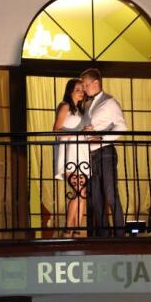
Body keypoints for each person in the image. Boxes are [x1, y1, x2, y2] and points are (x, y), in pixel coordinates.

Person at [79, 68, 127, 236]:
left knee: (110, 195)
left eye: (86, 85)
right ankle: (104, 237)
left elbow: (122, 126)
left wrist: (101, 138)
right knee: (96, 199)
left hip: (106, 152)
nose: (84, 88)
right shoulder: (87, 105)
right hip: (90, 155)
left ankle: (120, 235)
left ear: (96, 82)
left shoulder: (110, 102)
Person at [53, 78, 88, 237]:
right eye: (78, 90)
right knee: (77, 190)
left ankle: (77, 229)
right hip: (69, 153)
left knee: (82, 192)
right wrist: (78, 133)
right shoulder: (65, 106)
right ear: (70, 92)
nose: (81, 92)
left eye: (82, 90)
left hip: (81, 152)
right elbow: (56, 130)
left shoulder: (81, 110)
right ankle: (68, 228)